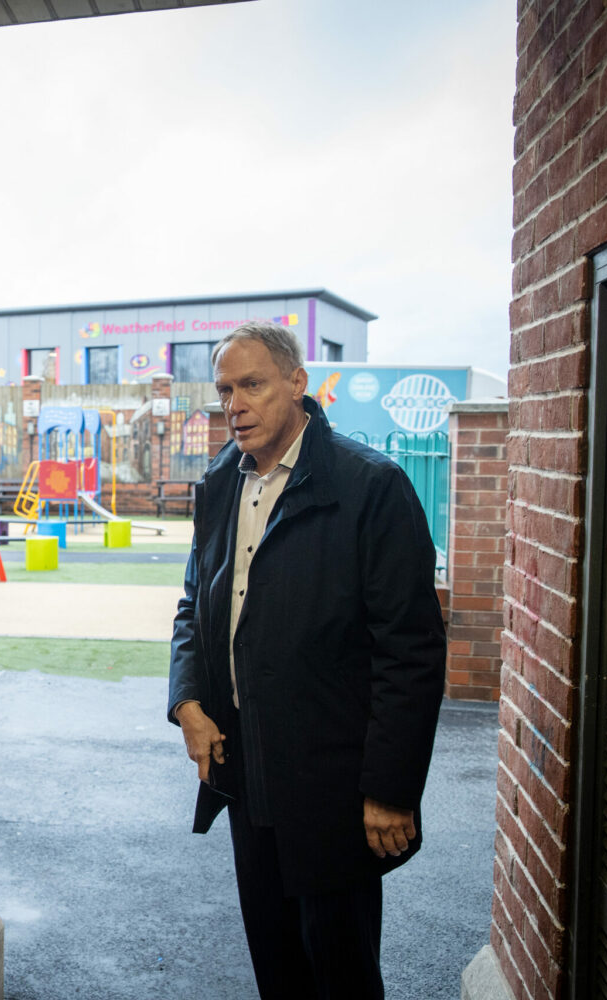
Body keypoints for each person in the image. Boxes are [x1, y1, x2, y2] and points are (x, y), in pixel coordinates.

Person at [167, 321, 446, 999]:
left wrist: (390, 788)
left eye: (253, 384)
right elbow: (190, 610)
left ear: (298, 383)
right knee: (278, 969)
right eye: (226, 388)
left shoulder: (371, 488)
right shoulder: (219, 487)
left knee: (341, 972)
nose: (235, 402)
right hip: (243, 770)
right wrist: (187, 703)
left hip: (334, 786)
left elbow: (410, 652)